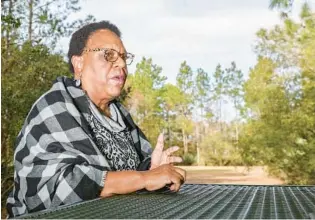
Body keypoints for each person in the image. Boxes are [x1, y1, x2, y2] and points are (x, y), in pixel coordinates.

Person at [6, 21, 186, 217]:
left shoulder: (120, 115)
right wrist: (143, 178)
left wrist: (152, 169)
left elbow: (134, 173)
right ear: (79, 64)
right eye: (109, 55)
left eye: (124, 57)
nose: (122, 64)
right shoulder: (55, 106)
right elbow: (55, 190)